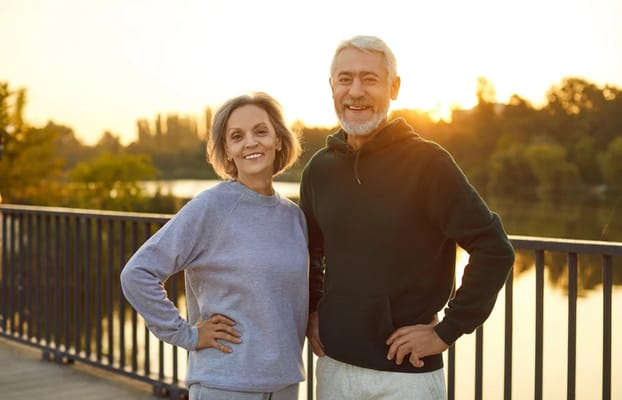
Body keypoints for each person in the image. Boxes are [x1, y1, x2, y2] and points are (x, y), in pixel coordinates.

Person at [299, 35, 516, 399]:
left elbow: (494, 248)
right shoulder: (319, 171)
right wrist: (312, 309)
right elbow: (308, 253)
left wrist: (446, 330)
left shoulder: (428, 164)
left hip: (406, 376)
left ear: (393, 87)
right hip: (334, 368)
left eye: (369, 79)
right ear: (332, 87)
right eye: (345, 79)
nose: (355, 92)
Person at [121, 92, 309, 400]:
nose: (250, 142)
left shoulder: (293, 216)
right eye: (237, 136)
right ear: (227, 150)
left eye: (261, 131)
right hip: (225, 386)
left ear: (278, 140)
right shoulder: (210, 207)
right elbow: (137, 274)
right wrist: (187, 335)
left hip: (285, 386)